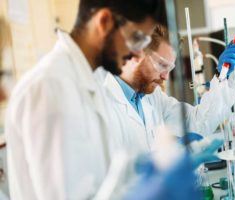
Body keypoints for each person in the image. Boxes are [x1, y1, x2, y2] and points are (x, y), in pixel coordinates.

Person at [5, 1, 167, 199]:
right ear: (105, 21)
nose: (138, 54)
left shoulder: (90, 81)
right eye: (136, 38)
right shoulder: (52, 86)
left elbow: (100, 182)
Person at [98, 25, 235, 152]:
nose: (166, 77)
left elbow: (198, 123)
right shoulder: (102, 102)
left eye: (170, 68)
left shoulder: (152, 96)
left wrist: (221, 76)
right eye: (161, 65)